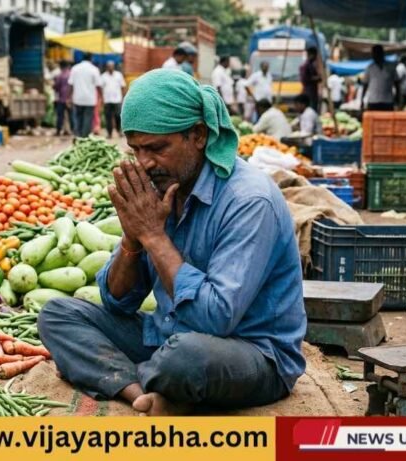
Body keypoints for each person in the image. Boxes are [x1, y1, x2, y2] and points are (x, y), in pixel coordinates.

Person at [38, 68, 306, 416]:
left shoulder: (250, 200)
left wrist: (153, 235)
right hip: (169, 334)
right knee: (58, 315)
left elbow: (216, 319)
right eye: (135, 149)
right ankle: (141, 394)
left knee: (186, 358)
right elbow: (117, 303)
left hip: (249, 353)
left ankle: (143, 378)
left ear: (197, 135)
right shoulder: (162, 187)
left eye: (157, 148)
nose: (144, 163)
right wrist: (133, 239)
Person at [68, 53, 101, 138]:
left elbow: (71, 85)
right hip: (90, 99)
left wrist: (69, 97)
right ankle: (85, 137)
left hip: (77, 98)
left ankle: (78, 136)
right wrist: (101, 97)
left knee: (78, 118)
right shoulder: (94, 69)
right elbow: (98, 86)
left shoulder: (75, 68)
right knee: (88, 119)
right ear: (91, 59)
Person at [362, 45, 399, 112]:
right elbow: (365, 85)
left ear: (382, 53)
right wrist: (362, 100)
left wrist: (397, 99)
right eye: (374, 53)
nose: (375, 55)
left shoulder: (391, 67)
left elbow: (397, 84)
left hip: (387, 102)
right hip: (373, 102)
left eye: (377, 53)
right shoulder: (370, 68)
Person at [101, 60, 126, 138]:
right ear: (107, 67)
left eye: (111, 66)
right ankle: (109, 133)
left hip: (117, 99)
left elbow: (123, 87)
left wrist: (123, 97)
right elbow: (100, 89)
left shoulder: (118, 75)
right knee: (108, 117)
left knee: (118, 116)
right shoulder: (103, 76)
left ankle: (119, 131)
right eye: (109, 66)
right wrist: (102, 99)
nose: (110, 67)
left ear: (114, 67)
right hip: (107, 100)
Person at [53, 60, 73, 136]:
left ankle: (58, 131)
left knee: (60, 116)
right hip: (70, 99)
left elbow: (56, 87)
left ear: (61, 67)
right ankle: (73, 130)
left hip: (61, 99)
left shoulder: (60, 76)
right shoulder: (71, 74)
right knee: (71, 116)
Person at [299, 46, 321, 112]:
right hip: (310, 93)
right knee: (311, 111)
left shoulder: (311, 65)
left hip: (312, 92)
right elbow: (305, 79)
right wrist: (318, 78)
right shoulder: (306, 65)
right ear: (312, 54)